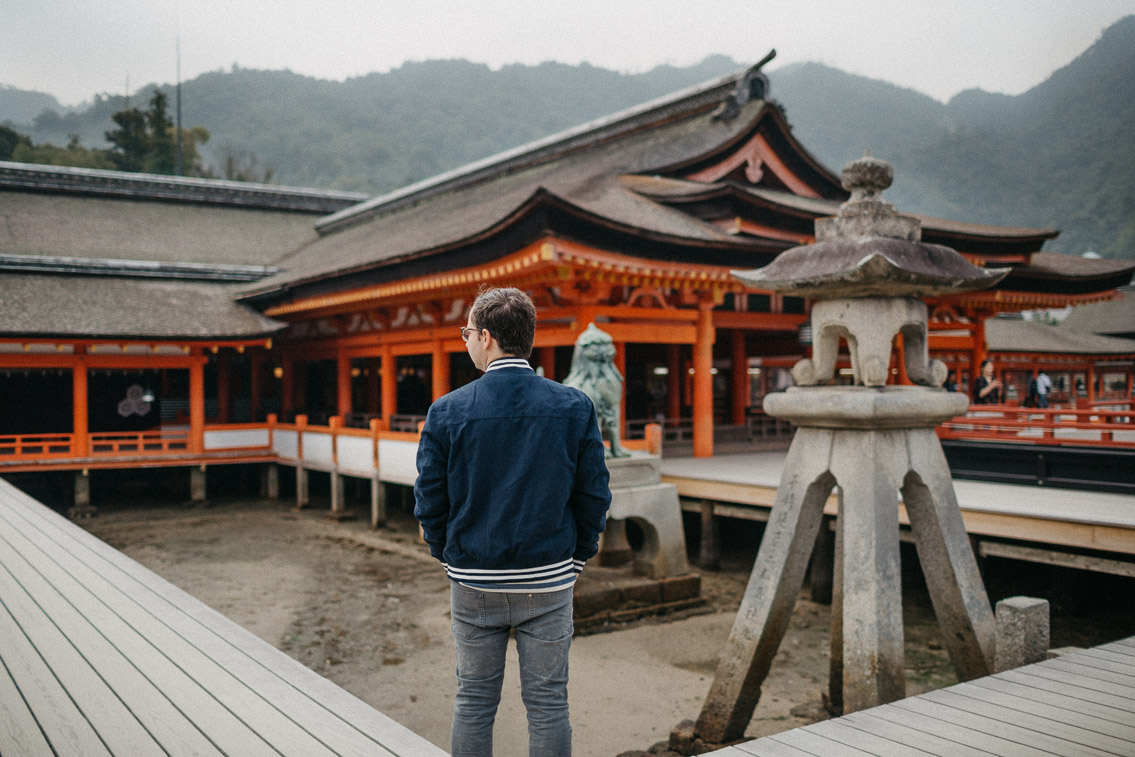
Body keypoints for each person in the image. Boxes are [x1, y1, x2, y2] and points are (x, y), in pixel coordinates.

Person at [414, 287, 611, 757]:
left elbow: (429, 500)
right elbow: (594, 495)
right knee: (547, 703)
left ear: (486, 337)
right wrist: (579, 556)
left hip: (473, 579)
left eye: (467, 333)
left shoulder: (447, 411)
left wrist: (447, 554)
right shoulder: (574, 406)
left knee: (474, 701)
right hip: (548, 579)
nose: (465, 342)